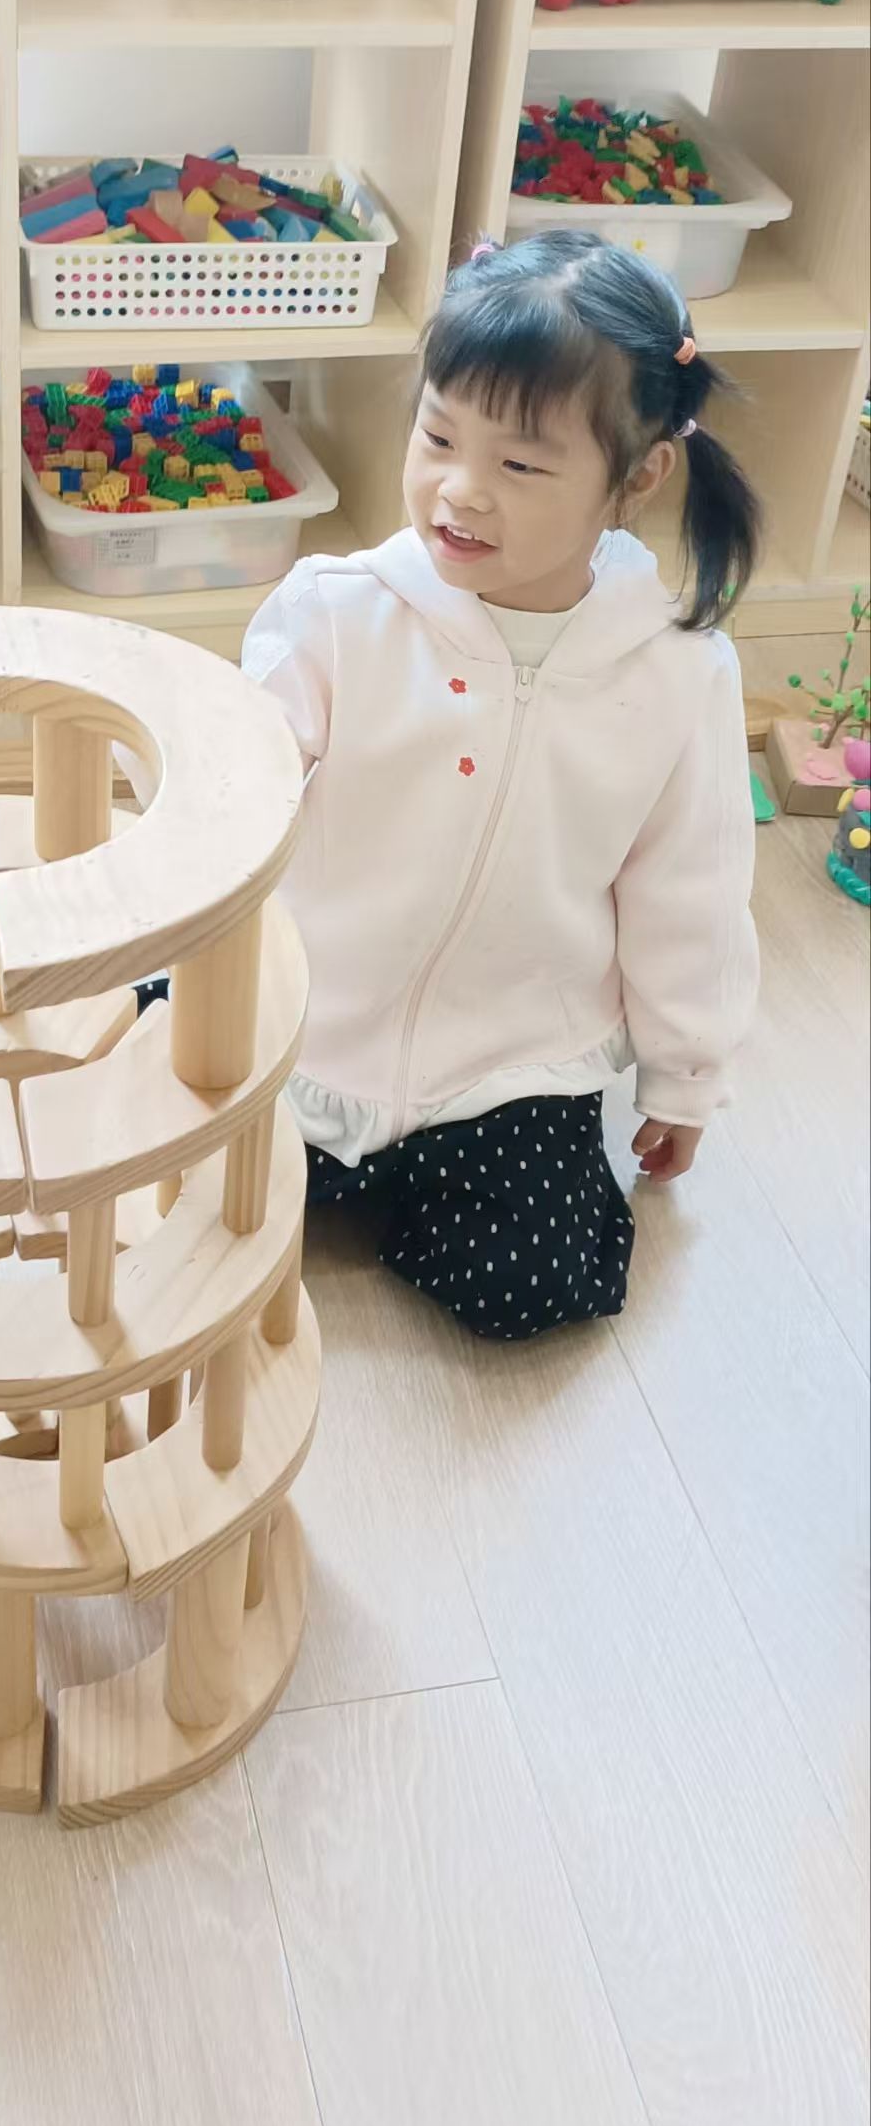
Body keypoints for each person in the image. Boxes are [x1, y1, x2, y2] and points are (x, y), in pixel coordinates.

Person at [240, 230, 761, 1341]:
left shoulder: (677, 674)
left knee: (539, 1286)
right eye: (437, 436)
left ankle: (390, 1191)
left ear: (636, 478)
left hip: (504, 1065)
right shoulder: (337, 611)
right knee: (166, 1193)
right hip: (305, 1028)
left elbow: (693, 895)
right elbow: (235, 791)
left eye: (521, 467)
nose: (459, 491)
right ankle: (327, 1174)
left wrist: (683, 1077)